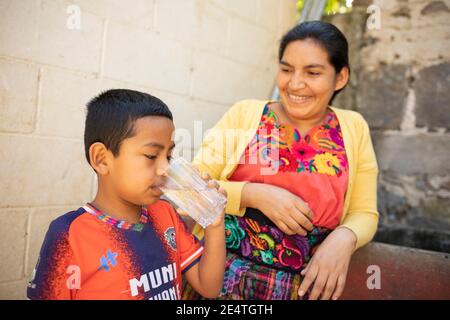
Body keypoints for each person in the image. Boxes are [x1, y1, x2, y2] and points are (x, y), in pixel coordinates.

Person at [183, 21, 379, 300]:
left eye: (312, 72)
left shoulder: (354, 127)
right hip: (223, 277)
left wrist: (345, 237)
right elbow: (188, 189)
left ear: (340, 77)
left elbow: (365, 212)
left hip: (305, 288)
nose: (294, 83)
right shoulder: (246, 114)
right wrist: (252, 194)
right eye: (287, 69)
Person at [27, 89, 226, 300]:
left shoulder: (166, 215)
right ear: (102, 159)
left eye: (168, 155)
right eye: (151, 155)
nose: (165, 168)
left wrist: (214, 223)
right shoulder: (69, 234)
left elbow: (209, 287)